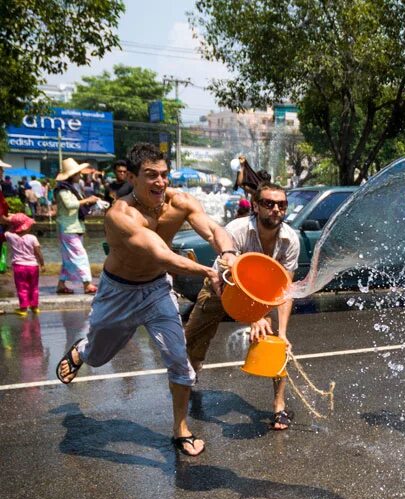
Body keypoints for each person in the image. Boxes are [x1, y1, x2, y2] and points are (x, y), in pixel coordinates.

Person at [54, 143, 238, 457]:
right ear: (134, 178)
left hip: (156, 290)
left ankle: (180, 429)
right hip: (118, 292)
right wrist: (210, 271)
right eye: (151, 175)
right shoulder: (120, 215)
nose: (160, 182)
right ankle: (83, 349)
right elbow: (163, 255)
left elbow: (213, 229)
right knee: (99, 357)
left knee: (178, 358)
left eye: (164, 175)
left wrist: (229, 255)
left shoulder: (179, 202)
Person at [184, 182, 299, 430]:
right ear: (256, 206)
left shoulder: (290, 240)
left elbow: (284, 291)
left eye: (281, 205)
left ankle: (279, 407)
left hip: (261, 296)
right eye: (269, 203)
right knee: (192, 342)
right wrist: (253, 316)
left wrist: (282, 333)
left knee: (278, 345)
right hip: (221, 288)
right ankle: (187, 381)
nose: (276, 209)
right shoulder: (236, 230)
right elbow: (226, 281)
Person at [53, 158, 99, 295]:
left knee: (68, 259)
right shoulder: (63, 191)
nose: (80, 175)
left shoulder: (72, 189)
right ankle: (87, 283)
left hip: (75, 227)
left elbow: (77, 204)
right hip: (68, 228)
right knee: (80, 256)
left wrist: (89, 202)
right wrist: (87, 200)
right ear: (72, 175)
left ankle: (61, 285)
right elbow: (70, 205)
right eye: (78, 173)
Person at [5, 213, 44, 315]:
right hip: (33, 266)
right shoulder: (32, 237)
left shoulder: (10, 236)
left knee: (22, 287)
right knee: (34, 287)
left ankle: (23, 309)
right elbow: (38, 252)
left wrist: (12, 222)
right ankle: (35, 307)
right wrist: (42, 264)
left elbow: (7, 230)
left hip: (19, 266)